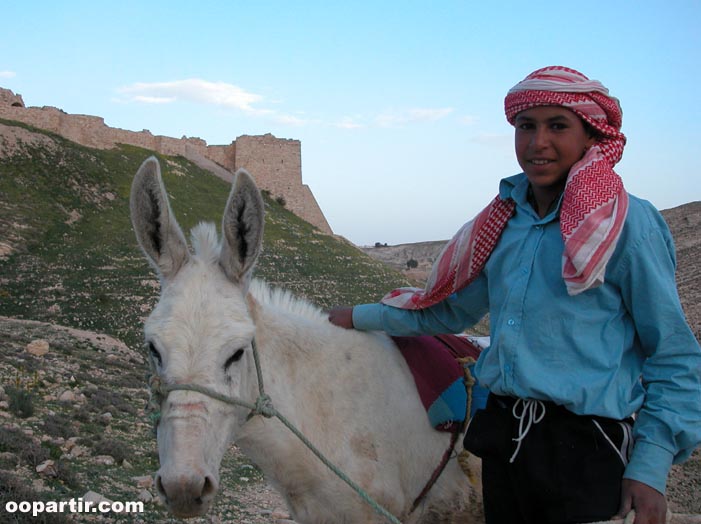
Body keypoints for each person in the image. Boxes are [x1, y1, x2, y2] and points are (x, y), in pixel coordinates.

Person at [328, 66, 701, 524]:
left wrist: (652, 466)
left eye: (557, 126)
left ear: (590, 137)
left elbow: (674, 355)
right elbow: (446, 312)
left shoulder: (625, 225)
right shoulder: (503, 223)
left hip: (588, 451)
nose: (537, 142)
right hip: (505, 443)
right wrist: (357, 317)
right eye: (526, 126)